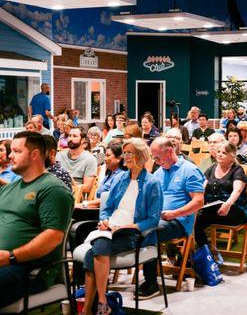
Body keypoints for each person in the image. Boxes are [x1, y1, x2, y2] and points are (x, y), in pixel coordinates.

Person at [81, 138, 163, 315]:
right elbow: (107, 208)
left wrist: (131, 226)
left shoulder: (152, 182)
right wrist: (104, 220)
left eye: (129, 153)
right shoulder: (120, 178)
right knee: (93, 251)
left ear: (140, 156)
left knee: (94, 251)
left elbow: (153, 219)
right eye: (124, 153)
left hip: (132, 234)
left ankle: (97, 305)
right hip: (111, 228)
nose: (125, 157)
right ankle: (97, 306)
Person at [0, 131, 73, 308]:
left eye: (17, 151)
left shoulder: (52, 189)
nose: (10, 155)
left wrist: (10, 256)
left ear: (34, 154)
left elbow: (53, 236)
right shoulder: (11, 188)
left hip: (28, 269)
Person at [138, 137, 204, 300]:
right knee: (135, 228)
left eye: (157, 157)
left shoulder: (189, 170)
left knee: (148, 233)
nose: (156, 161)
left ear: (169, 151)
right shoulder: (159, 172)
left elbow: (199, 202)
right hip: (158, 218)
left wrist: (174, 213)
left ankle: (151, 283)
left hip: (178, 221)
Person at [194, 141, 247, 247]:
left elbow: (237, 190)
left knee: (200, 217)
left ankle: (206, 252)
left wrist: (227, 204)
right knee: (196, 217)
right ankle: (205, 249)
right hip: (212, 209)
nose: (219, 154)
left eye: (223, 153)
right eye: (218, 151)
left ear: (232, 155)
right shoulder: (212, 168)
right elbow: (202, 187)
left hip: (235, 210)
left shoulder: (237, 170)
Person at [76, 141, 126, 209]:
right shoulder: (109, 174)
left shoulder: (121, 176)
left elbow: (109, 199)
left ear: (119, 158)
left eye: (108, 155)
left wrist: (84, 204)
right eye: (105, 155)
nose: (105, 159)